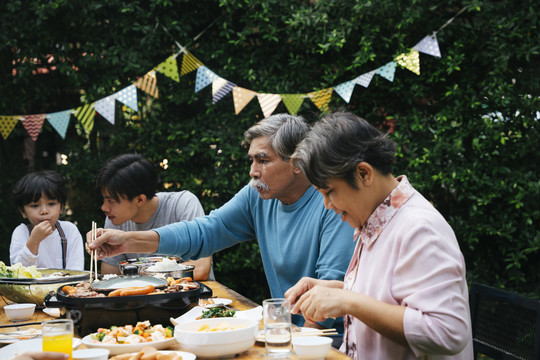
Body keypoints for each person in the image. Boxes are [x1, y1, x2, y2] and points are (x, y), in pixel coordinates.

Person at [87, 113, 355, 333]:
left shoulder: (331, 201)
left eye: (263, 160)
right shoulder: (257, 194)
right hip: (283, 333)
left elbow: (328, 294)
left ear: (298, 162)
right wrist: (128, 239)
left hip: (332, 341)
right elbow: (207, 231)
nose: (252, 171)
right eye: (251, 160)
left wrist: (300, 347)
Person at [284, 112, 473, 359]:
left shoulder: (420, 228)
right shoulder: (376, 219)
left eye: (329, 191)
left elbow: (447, 332)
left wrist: (347, 301)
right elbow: (393, 299)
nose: (326, 204)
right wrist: (338, 291)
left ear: (364, 174)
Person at [96, 153, 214, 281]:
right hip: (142, 301)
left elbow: (200, 269)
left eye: (111, 201)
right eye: (104, 200)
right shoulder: (114, 218)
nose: (104, 208)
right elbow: (110, 278)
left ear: (140, 200)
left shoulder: (183, 204)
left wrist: (142, 278)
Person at [10, 170, 84, 270]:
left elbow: (76, 270)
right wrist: (34, 241)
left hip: (65, 286)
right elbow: (17, 273)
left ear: (61, 207)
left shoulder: (69, 231)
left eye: (51, 204)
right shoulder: (21, 232)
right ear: (23, 211)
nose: (44, 211)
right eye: (35, 205)